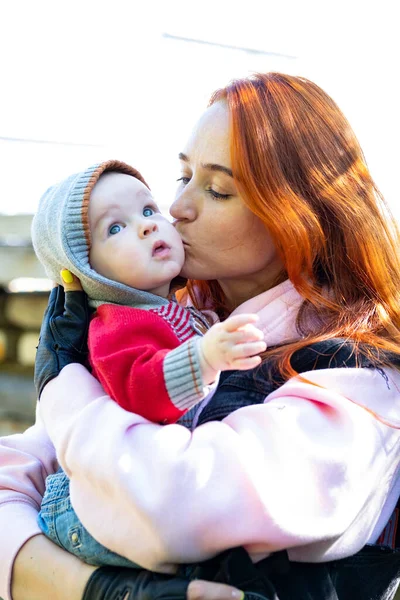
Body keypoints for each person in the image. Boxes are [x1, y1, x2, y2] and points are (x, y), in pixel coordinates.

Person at [2, 71, 400, 600]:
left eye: (216, 189)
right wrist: (90, 588)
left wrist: (61, 383)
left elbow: (171, 504)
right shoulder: (178, 319)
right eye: (182, 177)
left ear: (298, 215)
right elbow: (14, 472)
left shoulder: (361, 379)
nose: (178, 208)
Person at [31, 159, 265, 569]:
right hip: (89, 508)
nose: (147, 226)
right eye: (115, 228)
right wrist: (206, 357)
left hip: (134, 490)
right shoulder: (115, 324)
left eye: (148, 209)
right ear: (88, 271)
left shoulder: (176, 310)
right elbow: (139, 389)